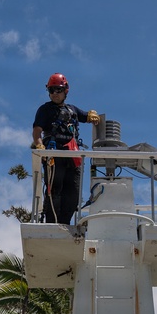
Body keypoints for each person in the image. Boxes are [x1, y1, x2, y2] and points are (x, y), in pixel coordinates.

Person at [32, 73, 100, 224]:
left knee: (73, 194)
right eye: (51, 90)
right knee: (55, 191)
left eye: (58, 89)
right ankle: (52, 223)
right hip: (54, 155)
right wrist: (40, 145)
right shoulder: (45, 110)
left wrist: (92, 115)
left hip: (72, 156)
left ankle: (64, 223)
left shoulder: (72, 110)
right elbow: (37, 131)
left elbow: (85, 116)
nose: (54, 93)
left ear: (65, 91)